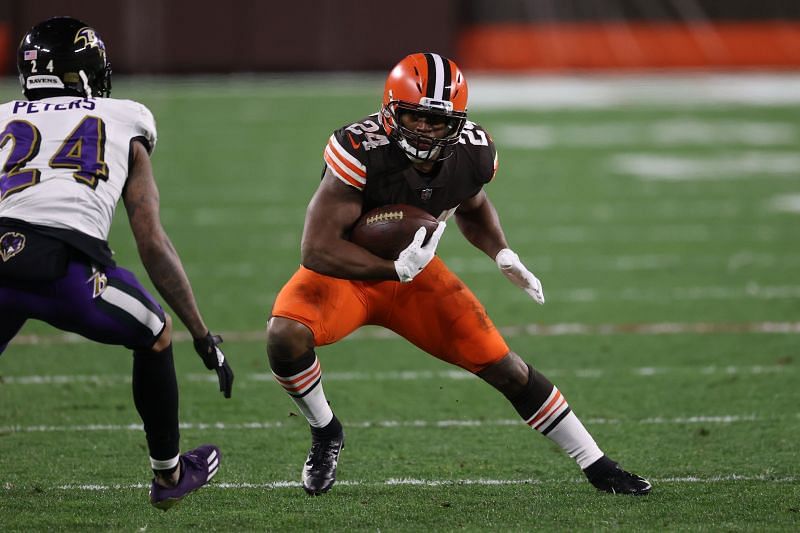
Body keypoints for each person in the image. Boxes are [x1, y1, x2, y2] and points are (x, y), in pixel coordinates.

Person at [266, 52, 651, 496]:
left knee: (504, 366)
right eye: (416, 117)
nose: (427, 130)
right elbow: (316, 250)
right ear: (392, 110)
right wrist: (390, 268)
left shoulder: (473, 153)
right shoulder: (359, 149)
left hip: (416, 278)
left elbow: (473, 205)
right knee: (284, 334)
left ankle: (597, 464)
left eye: (438, 121)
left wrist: (501, 252)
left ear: (458, 122)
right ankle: (325, 430)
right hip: (345, 274)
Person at [0, 17, 234, 510]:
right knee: (155, 332)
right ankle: (170, 476)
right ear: (83, 73)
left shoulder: (2, 116)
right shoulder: (125, 117)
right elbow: (150, 240)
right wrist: (200, 331)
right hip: (59, 266)